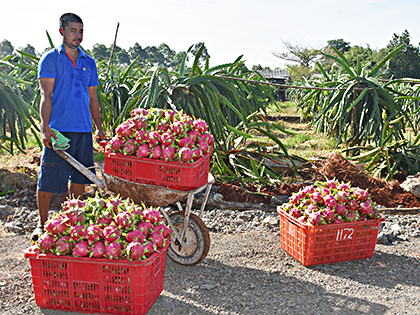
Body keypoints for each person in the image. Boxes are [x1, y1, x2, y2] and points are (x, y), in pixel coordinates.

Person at [31, 13, 105, 242]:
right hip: (59, 130)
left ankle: (73, 223)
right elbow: (46, 96)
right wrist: (46, 129)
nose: (78, 35)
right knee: (49, 178)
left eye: (81, 31)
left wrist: (99, 130)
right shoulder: (51, 59)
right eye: (73, 30)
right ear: (62, 31)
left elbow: (93, 99)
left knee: (80, 179)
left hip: (83, 129)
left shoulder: (88, 62)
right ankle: (41, 224)